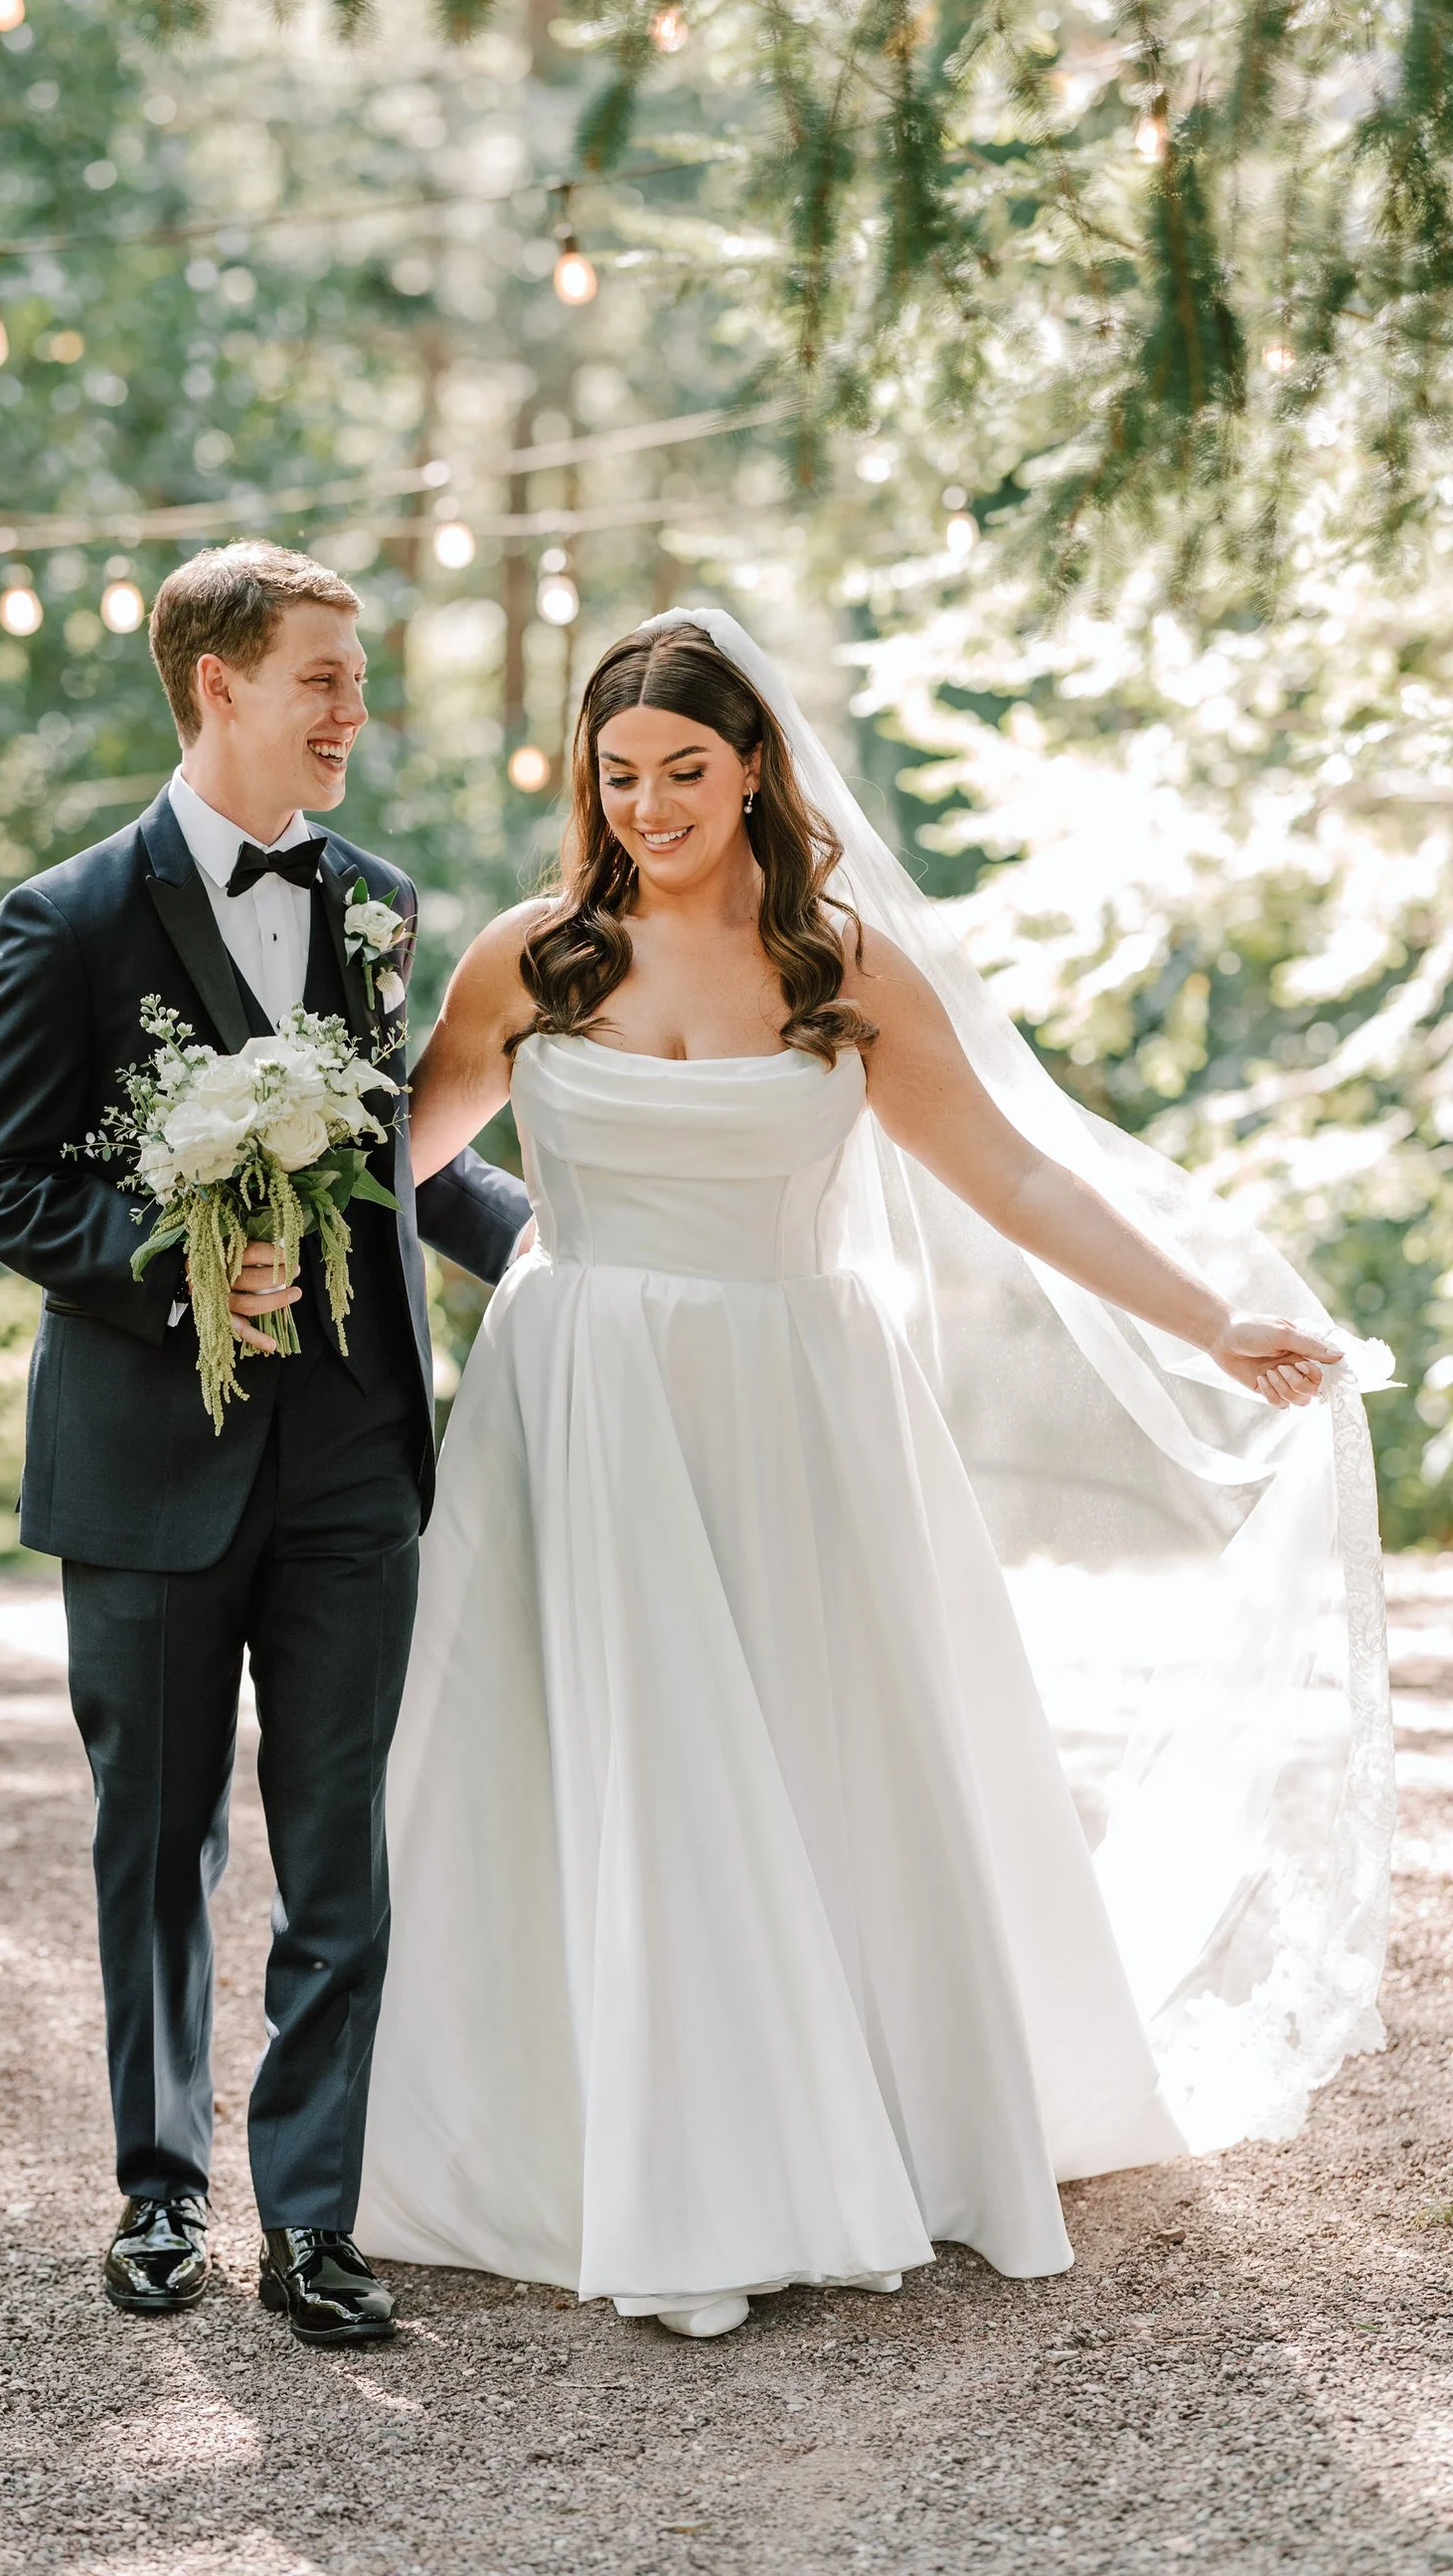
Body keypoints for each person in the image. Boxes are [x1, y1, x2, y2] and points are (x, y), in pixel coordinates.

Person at [354, 609, 1391, 2340]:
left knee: (807, 1747)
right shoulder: (531, 960)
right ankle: (618, 2153)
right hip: (582, 1399)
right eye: (619, 778)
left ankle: (843, 2130)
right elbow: (391, 1163)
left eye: (684, 770)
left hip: (792, 1403)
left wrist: (1218, 1321)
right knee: (618, 1754)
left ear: (753, 766)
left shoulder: (841, 966)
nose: (651, 807)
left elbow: (1018, 1182)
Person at [0, 542, 531, 2347]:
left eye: (359, 679)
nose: (358, 712)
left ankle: (318, 2222)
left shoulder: (375, 900)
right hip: (146, 1466)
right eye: (324, 681)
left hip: (355, 1450)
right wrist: (173, 1267)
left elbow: (393, 1157)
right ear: (219, 688)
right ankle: (155, 2195)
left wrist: (577, 1258)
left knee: (341, 1846)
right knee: (159, 1845)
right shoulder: (70, 918)